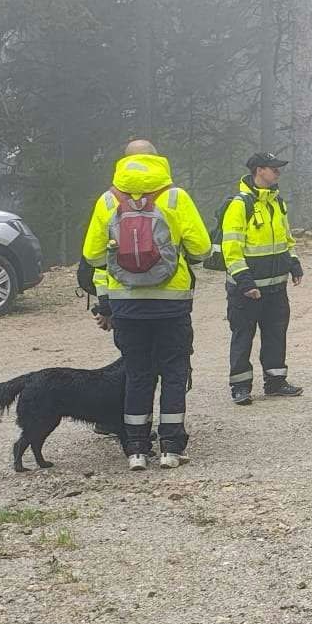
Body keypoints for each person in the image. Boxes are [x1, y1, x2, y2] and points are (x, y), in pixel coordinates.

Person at [80, 139, 212, 470]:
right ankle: (171, 447)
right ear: (157, 160)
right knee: (174, 373)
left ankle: (136, 449)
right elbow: (201, 248)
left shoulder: (108, 199)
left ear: (124, 162)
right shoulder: (175, 197)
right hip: (172, 305)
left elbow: (92, 256)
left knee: (137, 374)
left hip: (127, 306)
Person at [222, 152, 305, 406]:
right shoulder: (240, 204)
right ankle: (240, 387)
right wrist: (244, 281)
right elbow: (231, 247)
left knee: (276, 335)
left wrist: (293, 263)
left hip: (276, 287)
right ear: (259, 170)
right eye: (273, 168)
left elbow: (286, 238)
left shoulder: (277, 201)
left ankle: (276, 382)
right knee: (243, 337)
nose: (278, 173)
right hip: (247, 289)